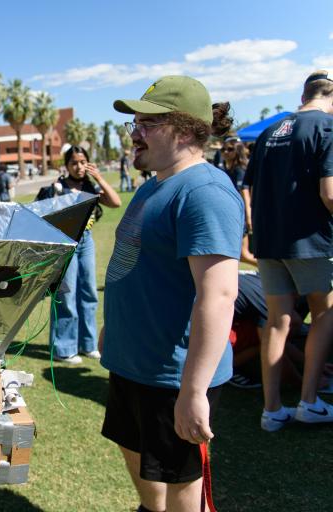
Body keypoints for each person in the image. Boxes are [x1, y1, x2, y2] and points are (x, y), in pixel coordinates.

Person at [101, 76, 242, 512]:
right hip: (132, 362)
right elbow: (137, 267)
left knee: (182, 484)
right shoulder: (152, 185)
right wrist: (115, 328)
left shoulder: (206, 192)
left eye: (147, 123)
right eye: (134, 124)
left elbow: (218, 296)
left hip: (173, 376)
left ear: (184, 131)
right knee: (135, 453)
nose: (135, 134)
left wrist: (194, 390)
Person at [243, 69, 333, 431]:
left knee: (277, 321)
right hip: (310, 240)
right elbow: (329, 193)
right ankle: (309, 401)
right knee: (324, 315)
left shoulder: (270, 131)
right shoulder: (326, 129)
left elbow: (248, 187)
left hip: (270, 240)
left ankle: (272, 408)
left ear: (304, 94)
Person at [39, 146, 121, 364]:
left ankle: (88, 344)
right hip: (66, 243)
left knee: (89, 293)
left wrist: (100, 178)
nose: (79, 166)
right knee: (66, 295)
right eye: (74, 162)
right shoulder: (59, 187)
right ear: (66, 166)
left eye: (83, 161)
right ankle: (64, 349)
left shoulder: (90, 187)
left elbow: (116, 202)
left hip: (86, 241)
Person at [221, 137, 257, 266]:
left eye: (229, 149)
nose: (225, 152)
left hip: (239, 216)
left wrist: (248, 217)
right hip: (232, 215)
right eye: (223, 149)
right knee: (240, 255)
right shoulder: (227, 169)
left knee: (244, 255)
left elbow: (245, 194)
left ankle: (271, 270)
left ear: (237, 151)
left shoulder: (239, 170)